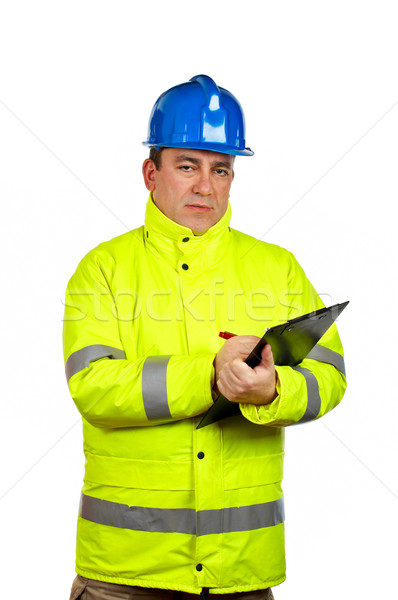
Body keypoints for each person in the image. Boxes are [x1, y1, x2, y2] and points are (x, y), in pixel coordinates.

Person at [64, 75, 346, 599]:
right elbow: (93, 387)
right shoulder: (102, 269)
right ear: (151, 173)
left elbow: (329, 376)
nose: (205, 186)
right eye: (187, 166)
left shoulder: (277, 269)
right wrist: (209, 376)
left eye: (221, 169)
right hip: (125, 573)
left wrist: (273, 391)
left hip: (241, 573)